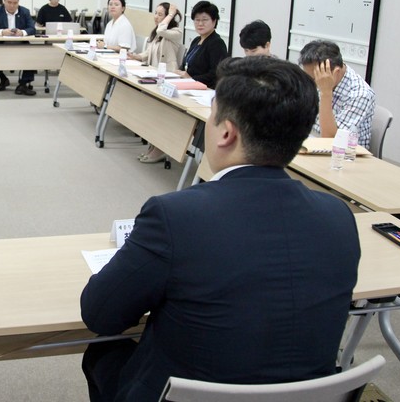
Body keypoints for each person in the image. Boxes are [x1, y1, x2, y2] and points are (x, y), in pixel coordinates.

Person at [80, 56, 360, 402]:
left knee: (103, 351)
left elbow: (100, 314)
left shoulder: (175, 216)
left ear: (226, 132)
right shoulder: (338, 215)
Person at [129, 2, 184, 164]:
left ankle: (160, 149)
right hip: (154, 77)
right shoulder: (157, 32)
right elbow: (148, 52)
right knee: (151, 113)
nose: (156, 17)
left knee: (159, 114)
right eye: (155, 13)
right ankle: (153, 146)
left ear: (169, 17)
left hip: (167, 78)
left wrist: (171, 14)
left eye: (161, 14)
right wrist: (137, 57)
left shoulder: (175, 32)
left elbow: (161, 29)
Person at [298, 39, 376, 149]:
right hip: (314, 140)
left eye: (314, 79)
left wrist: (326, 93)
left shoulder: (360, 94)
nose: (311, 83)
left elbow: (331, 139)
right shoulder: (323, 75)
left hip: (344, 153)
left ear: (336, 72)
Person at [0, 0, 37, 95]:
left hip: (20, 44)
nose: (12, 5)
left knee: (32, 52)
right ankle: (3, 78)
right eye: (9, 2)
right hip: (1, 44)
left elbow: (32, 28)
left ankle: (23, 84)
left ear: (18, 2)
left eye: (15, 3)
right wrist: (1, 32)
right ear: (4, 1)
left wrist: (22, 32)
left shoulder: (25, 12)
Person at [178, 0, 229, 88]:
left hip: (205, 89)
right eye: (197, 20)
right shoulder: (196, 40)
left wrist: (191, 79)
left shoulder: (217, 43)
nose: (200, 24)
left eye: (205, 20)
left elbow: (215, 74)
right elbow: (186, 65)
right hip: (188, 86)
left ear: (214, 21)